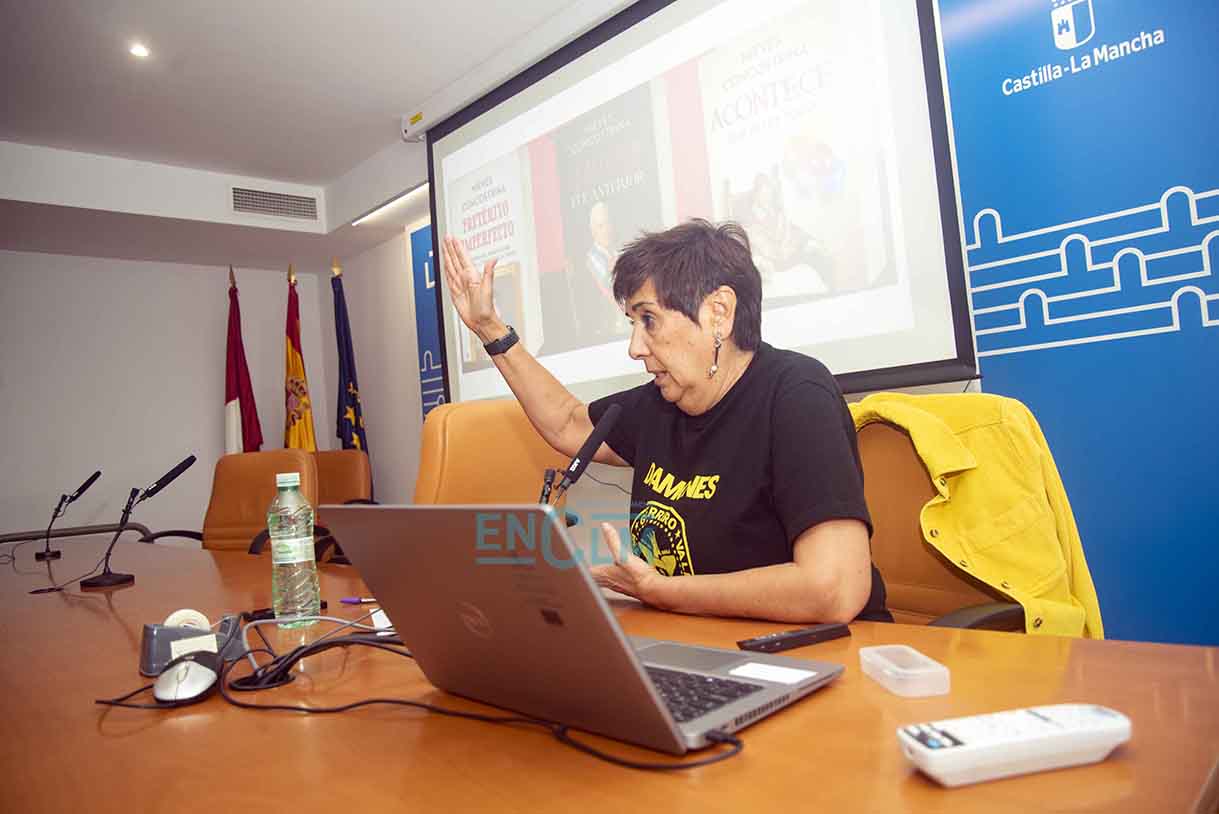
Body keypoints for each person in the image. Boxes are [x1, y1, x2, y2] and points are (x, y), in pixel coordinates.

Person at [441, 219, 890, 623]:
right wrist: (489, 329)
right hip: (699, 642)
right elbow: (566, 423)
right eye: (632, 323)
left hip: (819, 658)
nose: (635, 347)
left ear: (719, 313)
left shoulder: (797, 395)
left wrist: (662, 591)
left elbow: (834, 590)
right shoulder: (659, 404)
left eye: (649, 320)